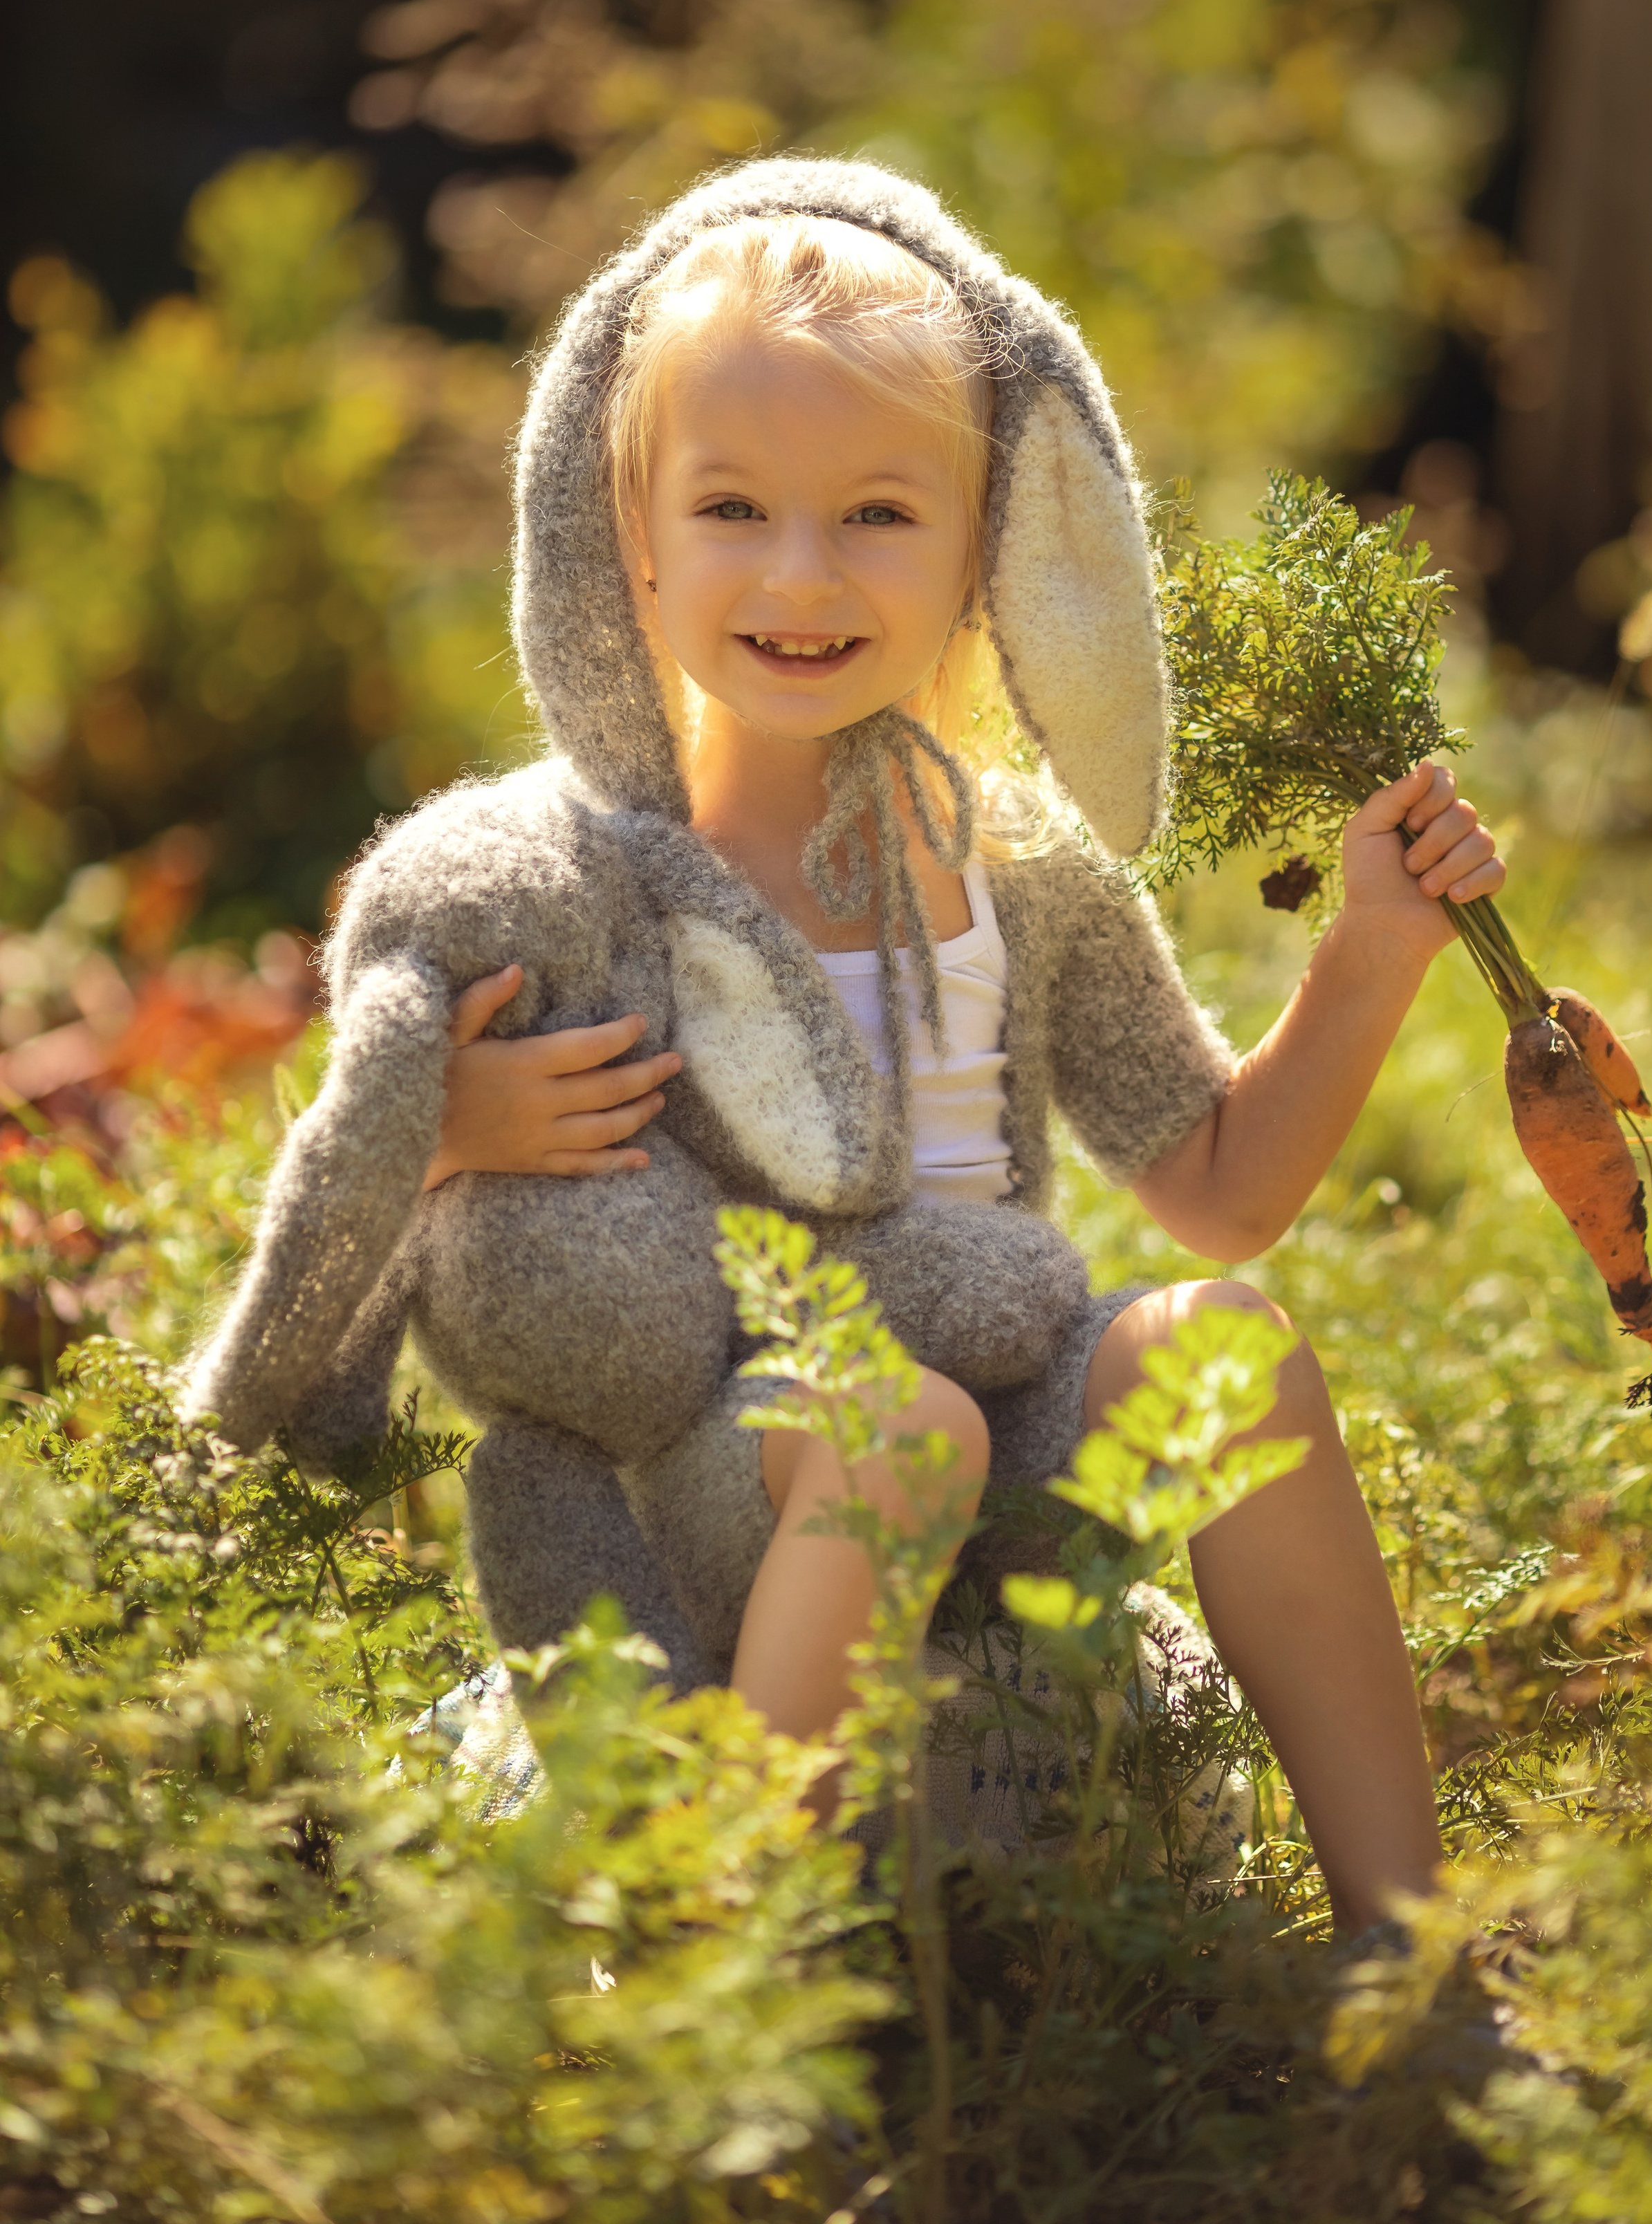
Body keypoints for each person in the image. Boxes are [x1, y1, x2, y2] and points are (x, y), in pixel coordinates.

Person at [410, 176, 1502, 1934]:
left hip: (1005, 1431)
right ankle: (751, 1975)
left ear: (983, 542)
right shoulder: (582, 883)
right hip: (727, 1453)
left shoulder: (1021, 871)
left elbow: (1217, 1196)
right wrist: (454, 1125)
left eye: (876, 513)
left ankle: (1410, 1950)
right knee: (893, 1423)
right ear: (635, 536)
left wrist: (1372, 954)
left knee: (1225, 1346)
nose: (798, 573)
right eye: (733, 510)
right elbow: (387, 1180)